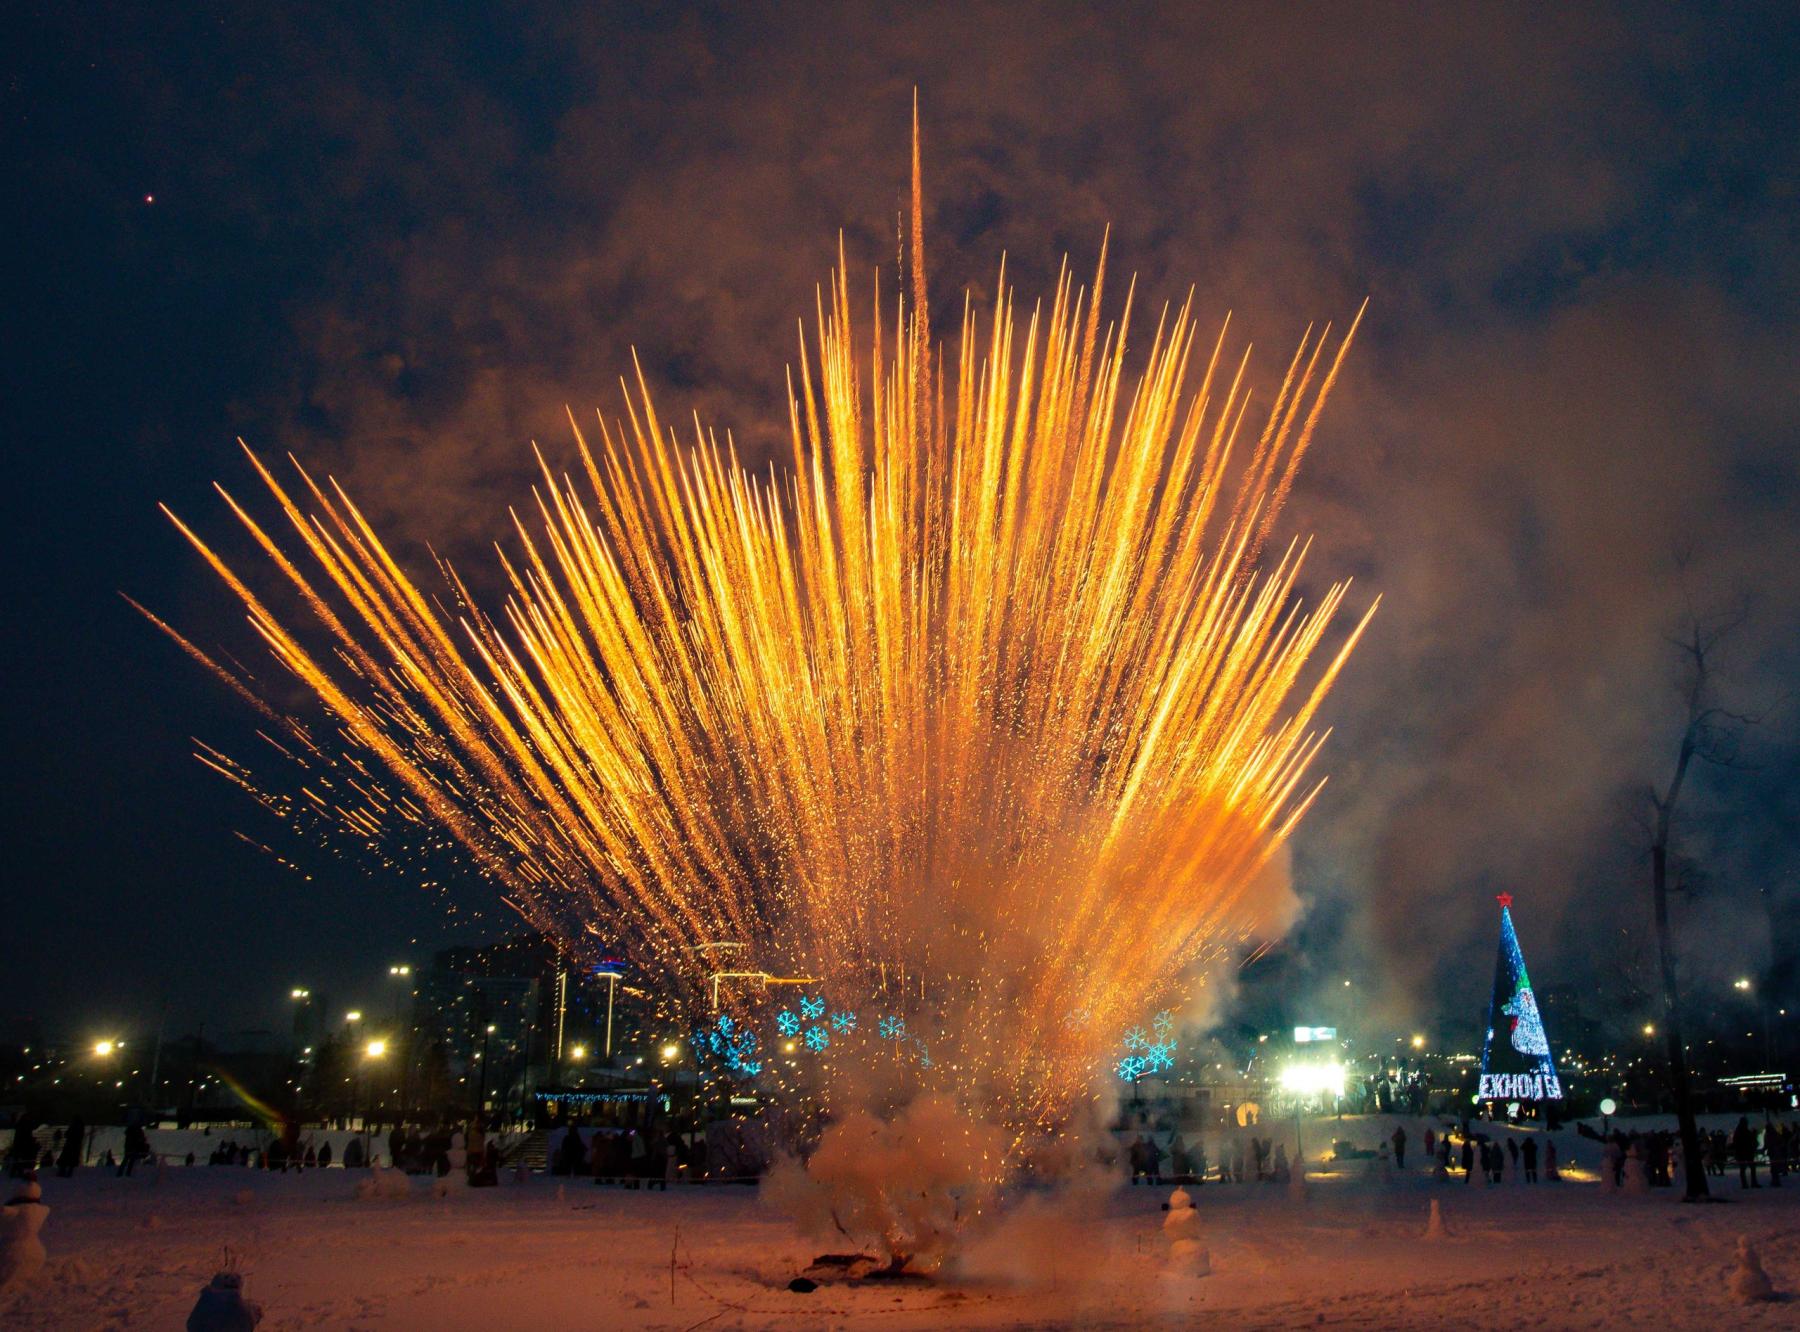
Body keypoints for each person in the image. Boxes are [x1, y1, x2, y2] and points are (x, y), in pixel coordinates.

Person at [1732, 1116, 1759, 1189]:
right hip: (1744, 1152)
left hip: (1744, 1152)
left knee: (1745, 1168)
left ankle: (1747, 1183)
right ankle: (1749, 1183)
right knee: (1746, 1168)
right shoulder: (1742, 1131)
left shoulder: (1739, 1131)